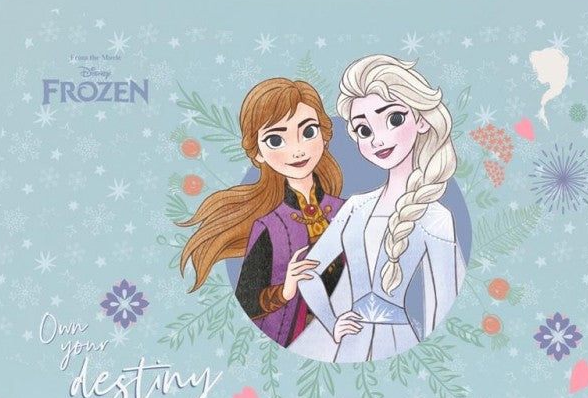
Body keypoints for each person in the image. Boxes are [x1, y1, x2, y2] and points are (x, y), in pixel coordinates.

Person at [297, 55, 464, 362]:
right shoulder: (355, 207)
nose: (378, 140)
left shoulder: (437, 218)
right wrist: (332, 322)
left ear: (422, 120)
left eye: (394, 119)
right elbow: (309, 272)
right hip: (349, 345)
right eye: (364, 130)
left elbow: (445, 307)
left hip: (401, 345)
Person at [178, 78, 344, 348]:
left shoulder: (347, 211)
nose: (297, 149)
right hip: (299, 339)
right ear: (259, 154)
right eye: (276, 139)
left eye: (308, 131)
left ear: (324, 136)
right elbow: (247, 300)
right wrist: (286, 289)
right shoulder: (271, 226)